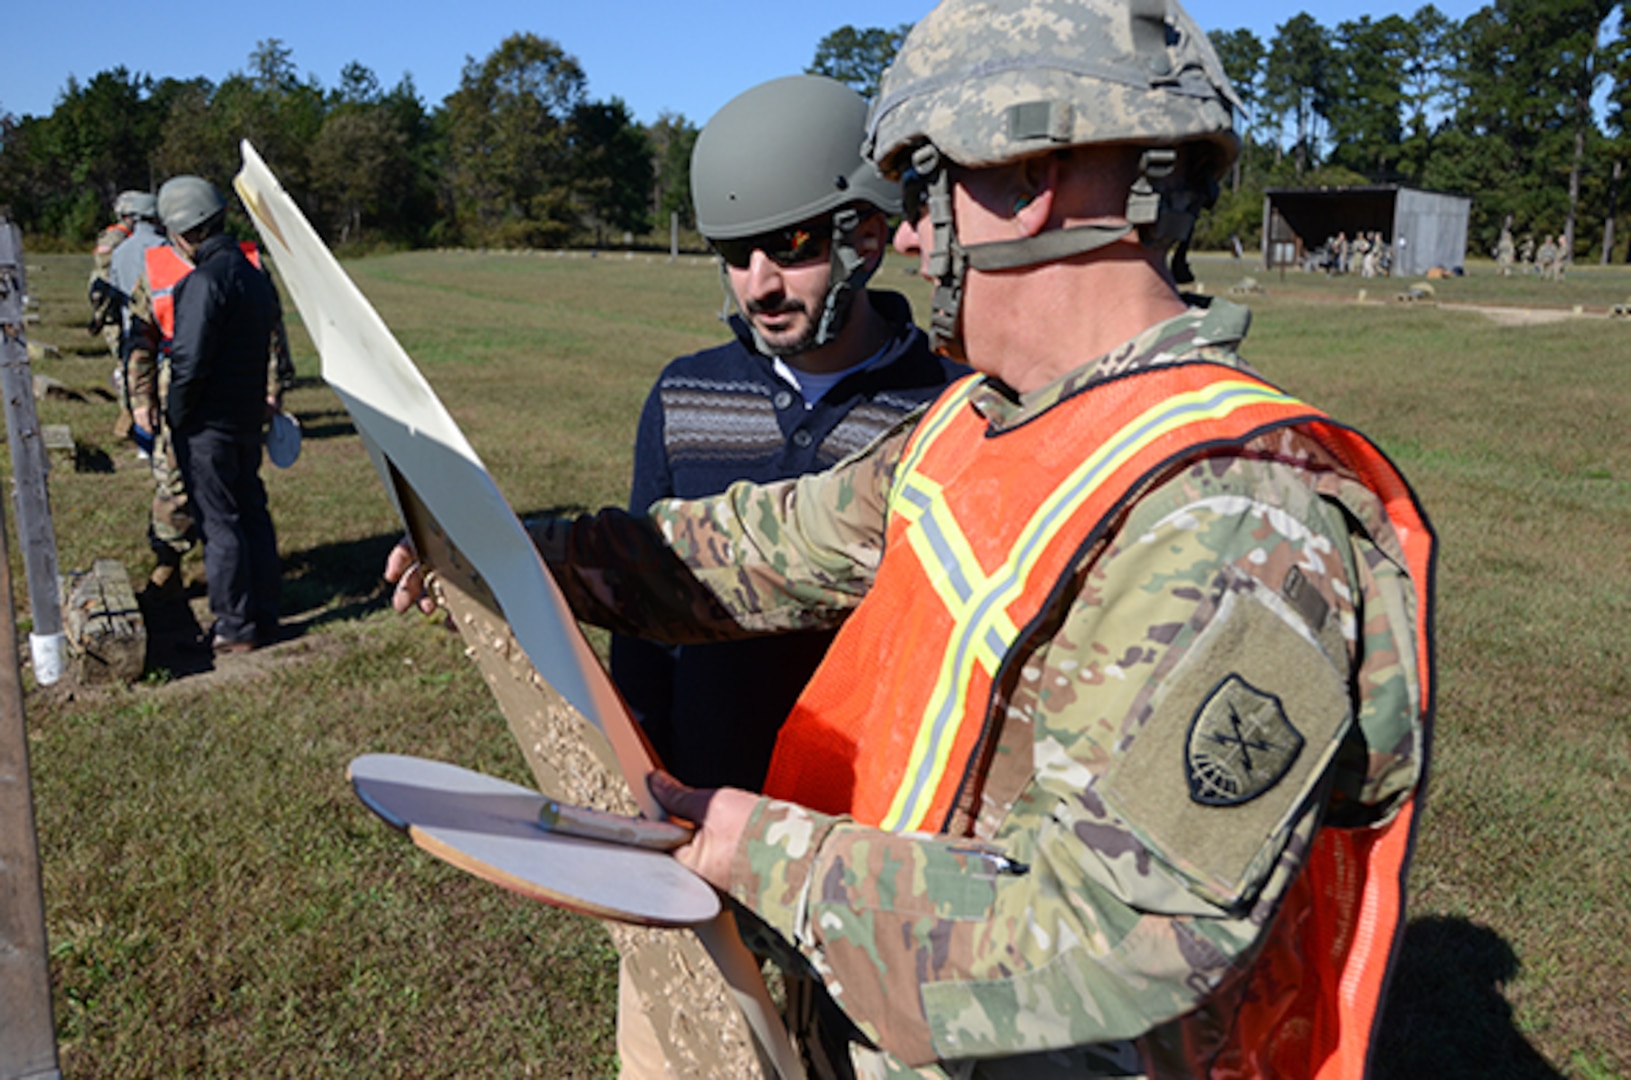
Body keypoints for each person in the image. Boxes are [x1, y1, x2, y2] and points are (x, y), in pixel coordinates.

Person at [389, 0, 1436, 1075]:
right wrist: (517, 554)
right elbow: (758, 549)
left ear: (1026, 184)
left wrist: (763, 854)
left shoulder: (1233, 514)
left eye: (925, 189)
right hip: (875, 1006)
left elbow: (1116, 932)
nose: (904, 237)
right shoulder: (978, 421)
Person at [611, 74, 964, 793]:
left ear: (866, 236)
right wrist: (641, 764)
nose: (758, 284)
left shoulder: (949, 406)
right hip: (702, 802)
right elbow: (643, 617)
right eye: (735, 254)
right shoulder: (686, 396)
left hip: (862, 831)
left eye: (789, 245)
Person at [126, 176, 288, 651]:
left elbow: (190, 361)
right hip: (243, 416)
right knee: (251, 513)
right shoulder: (254, 276)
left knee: (220, 524)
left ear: (181, 231)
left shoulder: (203, 281)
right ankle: (265, 612)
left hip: (206, 422)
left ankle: (235, 626)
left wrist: (177, 412)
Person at [107, 193, 168, 457]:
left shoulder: (120, 251)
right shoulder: (166, 247)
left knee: (135, 384)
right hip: (162, 326)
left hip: (131, 325)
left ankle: (143, 441)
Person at [88, 190, 149, 438]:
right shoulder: (116, 240)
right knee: (127, 364)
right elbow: (103, 282)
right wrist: (101, 315)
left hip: (133, 308)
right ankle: (129, 414)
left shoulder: (130, 239)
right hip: (119, 309)